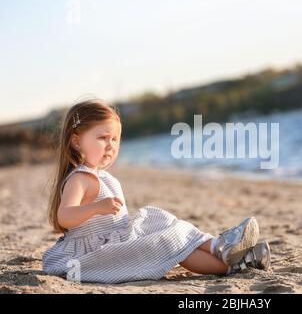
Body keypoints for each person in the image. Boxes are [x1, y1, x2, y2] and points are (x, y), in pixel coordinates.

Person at [42, 99, 271, 284]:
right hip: (94, 254)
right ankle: (231, 265)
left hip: (116, 240)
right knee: (170, 244)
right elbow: (65, 216)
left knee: (161, 220)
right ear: (76, 142)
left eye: (115, 139)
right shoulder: (80, 178)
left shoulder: (102, 176)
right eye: (102, 138)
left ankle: (219, 246)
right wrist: (96, 207)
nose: (111, 145)